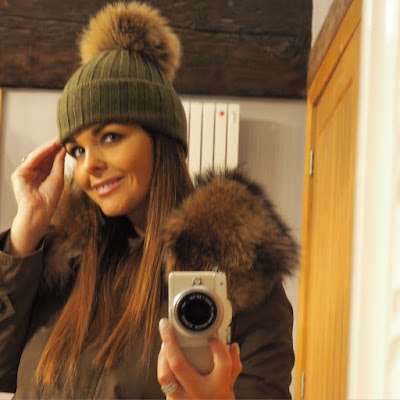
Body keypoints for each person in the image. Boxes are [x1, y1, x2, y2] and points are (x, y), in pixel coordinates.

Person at [0, 2, 297, 399]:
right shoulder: (63, 260)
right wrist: (26, 231)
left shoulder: (237, 271)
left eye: (110, 137)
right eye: (77, 151)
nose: (89, 167)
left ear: (162, 139)